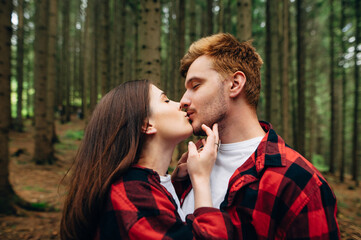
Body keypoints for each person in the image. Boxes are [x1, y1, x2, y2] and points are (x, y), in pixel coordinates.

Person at [172, 33, 341, 239]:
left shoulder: (300, 183)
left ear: (235, 84)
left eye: (195, 86)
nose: (183, 100)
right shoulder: (190, 164)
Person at [60, 80, 233, 240]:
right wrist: (201, 178)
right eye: (165, 100)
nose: (180, 103)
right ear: (147, 125)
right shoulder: (130, 192)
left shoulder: (146, 185)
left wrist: (175, 183)